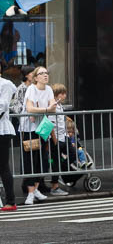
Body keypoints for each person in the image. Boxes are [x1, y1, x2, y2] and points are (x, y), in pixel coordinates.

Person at [21, 66, 55, 205]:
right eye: (42, 73)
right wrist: (46, 109)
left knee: (42, 160)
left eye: (46, 73)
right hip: (29, 128)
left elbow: (53, 106)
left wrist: (42, 110)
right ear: (36, 78)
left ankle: (35, 189)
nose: (45, 75)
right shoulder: (31, 89)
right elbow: (30, 108)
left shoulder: (49, 89)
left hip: (43, 126)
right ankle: (30, 193)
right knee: (30, 160)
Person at [47, 84, 72, 196]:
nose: (64, 95)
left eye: (65, 93)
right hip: (56, 138)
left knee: (72, 154)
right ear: (56, 95)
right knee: (55, 161)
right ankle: (55, 186)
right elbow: (51, 124)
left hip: (63, 136)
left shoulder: (60, 106)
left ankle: (63, 173)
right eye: (62, 93)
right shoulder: (54, 106)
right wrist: (54, 140)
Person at [0, 74, 16, 210]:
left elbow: (3, 106)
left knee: (3, 166)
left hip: (2, 131)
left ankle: (11, 201)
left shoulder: (4, 84)